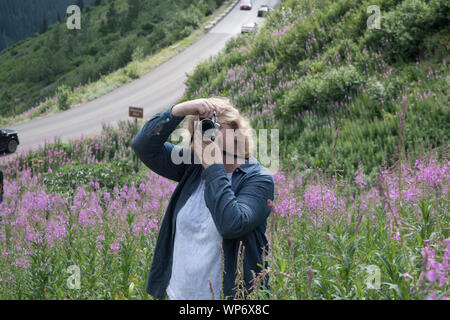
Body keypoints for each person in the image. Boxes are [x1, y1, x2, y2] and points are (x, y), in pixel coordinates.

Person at [131, 97, 275, 300]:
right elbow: (143, 146)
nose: (209, 134)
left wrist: (213, 166)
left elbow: (231, 224)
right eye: (202, 128)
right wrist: (178, 110)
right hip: (178, 295)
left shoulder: (258, 179)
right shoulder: (192, 166)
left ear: (236, 131)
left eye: (215, 126)